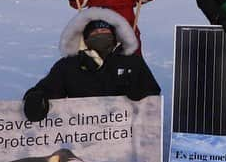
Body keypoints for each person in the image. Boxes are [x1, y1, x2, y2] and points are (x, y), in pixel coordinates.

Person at [22, 7, 161, 122]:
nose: (101, 34)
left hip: (125, 139)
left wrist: (141, 93)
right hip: (83, 138)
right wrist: (36, 99)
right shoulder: (69, 65)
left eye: (105, 31)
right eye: (95, 32)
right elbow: (47, 88)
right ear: (85, 39)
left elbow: (153, 92)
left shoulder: (131, 61)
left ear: (114, 36)